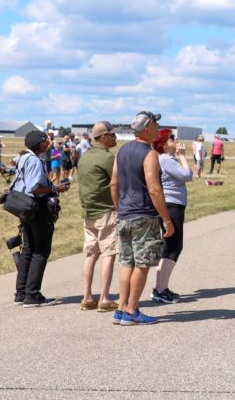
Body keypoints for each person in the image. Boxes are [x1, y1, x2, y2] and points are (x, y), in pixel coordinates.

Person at [111, 110, 174, 325]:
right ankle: (132, 310)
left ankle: (121, 309)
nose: (157, 129)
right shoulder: (149, 154)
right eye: (155, 126)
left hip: (125, 214)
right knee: (142, 264)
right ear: (146, 128)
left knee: (127, 263)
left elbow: (114, 183)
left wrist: (119, 208)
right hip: (144, 215)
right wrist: (166, 219)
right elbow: (155, 189)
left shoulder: (122, 151)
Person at [12, 131, 67, 307]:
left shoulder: (22, 158)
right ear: (39, 144)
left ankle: (21, 293)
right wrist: (54, 189)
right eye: (46, 141)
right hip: (37, 209)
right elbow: (35, 187)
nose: (49, 144)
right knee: (40, 251)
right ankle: (32, 295)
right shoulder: (35, 160)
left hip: (24, 209)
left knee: (28, 250)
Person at [76, 121, 120, 312]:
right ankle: (104, 298)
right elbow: (117, 183)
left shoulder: (84, 158)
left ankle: (87, 297)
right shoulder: (108, 158)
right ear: (103, 137)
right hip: (106, 211)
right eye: (111, 134)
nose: (115, 137)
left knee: (91, 254)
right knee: (109, 254)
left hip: (89, 212)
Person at [153, 132, 194, 303]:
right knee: (174, 246)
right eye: (171, 138)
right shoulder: (166, 160)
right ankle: (160, 290)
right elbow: (187, 175)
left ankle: (161, 287)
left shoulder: (166, 159)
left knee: (169, 246)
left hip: (172, 204)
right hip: (172, 205)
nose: (175, 140)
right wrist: (183, 156)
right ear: (163, 144)